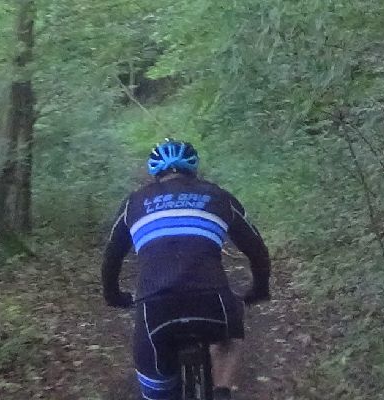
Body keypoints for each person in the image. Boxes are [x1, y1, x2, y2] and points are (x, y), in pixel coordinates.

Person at [101, 138, 272, 400]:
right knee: (228, 334)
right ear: (193, 169)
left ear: (155, 173)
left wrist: (113, 296)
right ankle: (221, 391)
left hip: (155, 308)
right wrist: (259, 289)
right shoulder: (219, 197)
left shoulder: (133, 203)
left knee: (157, 386)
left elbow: (111, 257)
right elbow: (257, 249)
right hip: (211, 299)